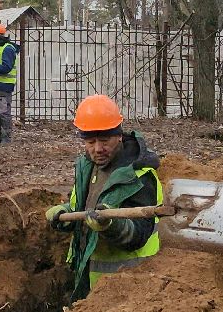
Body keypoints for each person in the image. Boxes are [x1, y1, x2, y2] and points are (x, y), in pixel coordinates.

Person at [45, 95, 164, 300]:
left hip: (128, 287)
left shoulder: (139, 177)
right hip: (89, 277)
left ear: (118, 135)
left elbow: (139, 235)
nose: (98, 149)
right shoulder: (87, 167)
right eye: (90, 141)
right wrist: (66, 215)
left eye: (104, 140)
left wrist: (110, 226)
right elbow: (80, 208)